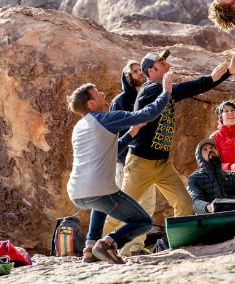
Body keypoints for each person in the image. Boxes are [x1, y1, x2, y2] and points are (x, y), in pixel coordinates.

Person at [106, 48, 235, 229]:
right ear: (152, 71)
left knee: (184, 203)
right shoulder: (150, 90)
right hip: (141, 163)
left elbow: (191, 89)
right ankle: (97, 245)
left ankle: (179, 241)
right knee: (124, 210)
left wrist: (228, 71)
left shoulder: (163, 90)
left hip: (163, 163)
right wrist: (218, 75)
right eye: (162, 63)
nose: (168, 65)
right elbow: (188, 88)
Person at [67, 72, 173, 264]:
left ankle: (90, 249)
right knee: (144, 222)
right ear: (90, 104)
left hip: (77, 193)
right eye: (97, 93)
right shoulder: (106, 118)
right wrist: (165, 92)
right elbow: (148, 113)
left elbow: (111, 152)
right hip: (99, 191)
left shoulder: (80, 126)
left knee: (99, 205)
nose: (102, 93)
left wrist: (132, 133)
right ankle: (108, 243)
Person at [107, 60, 157, 256]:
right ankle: (120, 249)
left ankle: (136, 247)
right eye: (135, 71)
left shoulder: (149, 96)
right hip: (125, 160)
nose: (140, 73)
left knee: (147, 205)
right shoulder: (120, 101)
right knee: (127, 207)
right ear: (128, 77)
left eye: (140, 70)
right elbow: (112, 132)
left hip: (147, 158)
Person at [187, 139, 235, 214]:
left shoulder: (232, 176)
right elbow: (195, 202)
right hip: (211, 221)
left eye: (212, 148)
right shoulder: (194, 178)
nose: (210, 150)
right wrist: (209, 207)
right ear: (200, 157)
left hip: (234, 216)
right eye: (205, 149)